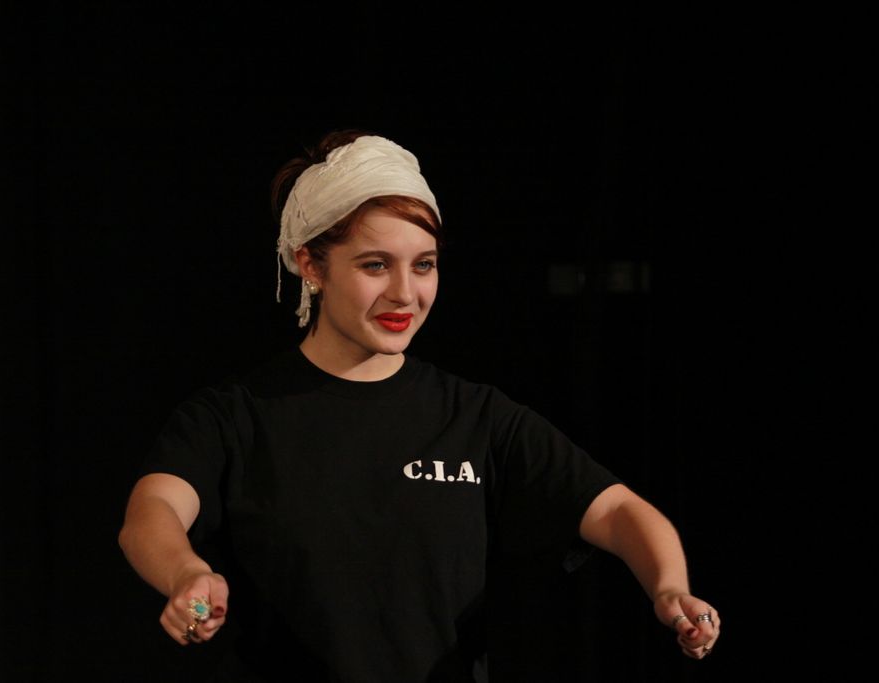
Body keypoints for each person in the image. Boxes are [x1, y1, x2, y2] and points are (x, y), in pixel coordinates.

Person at [118, 130, 721, 681]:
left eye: (424, 265)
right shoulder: (236, 415)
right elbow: (153, 510)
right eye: (375, 265)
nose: (405, 293)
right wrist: (186, 573)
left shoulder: (476, 417)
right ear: (309, 264)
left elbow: (617, 509)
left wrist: (670, 588)